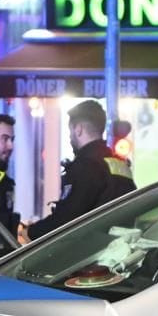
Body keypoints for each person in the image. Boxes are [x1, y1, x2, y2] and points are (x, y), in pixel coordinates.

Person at [24, 99, 134, 241]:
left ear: (78, 129)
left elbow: (67, 218)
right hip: (119, 251)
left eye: (70, 130)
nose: (70, 136)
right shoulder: (119, 165)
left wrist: (30, 233)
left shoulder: (86, 166)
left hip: (91, 253)